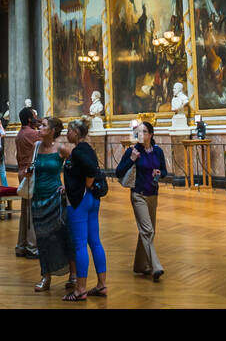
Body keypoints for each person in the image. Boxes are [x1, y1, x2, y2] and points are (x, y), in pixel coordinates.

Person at [115, 120, 167, 282]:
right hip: (138, 194)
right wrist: (131, 159)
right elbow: (118, 172)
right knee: (147, 230)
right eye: (139, 132)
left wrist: (159, 173)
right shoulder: (133, 151)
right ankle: (155, 266)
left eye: (144, 132)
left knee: (148, 231)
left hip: (153, 194)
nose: (141, 135)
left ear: (151, 134)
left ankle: (140, 265)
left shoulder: (158, 151)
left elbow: (164, 171)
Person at [29, 117, 76, 294]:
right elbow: (30, 167)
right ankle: (45, 276)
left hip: (55, 199)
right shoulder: (36, 148)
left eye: (43, 126)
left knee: (63, 236)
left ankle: (73, 274)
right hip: (38, 199)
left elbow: (75, 167)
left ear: (53, 130)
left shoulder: (61, 149)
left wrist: (67, 184)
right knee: (42, 239)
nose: (39, 128)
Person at [62, 119, 107, 301]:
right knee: (95, 242)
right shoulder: (88, 149)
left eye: (68, 130)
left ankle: (80, 289)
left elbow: (89, 170)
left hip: (80, 201)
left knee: (80, 244)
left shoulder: (78, 151)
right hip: (92, 200)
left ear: (75, 132)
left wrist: (85, 185)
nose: (66, 134)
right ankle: (102, 285)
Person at [14, 107, 40, 258]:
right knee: (31, 213)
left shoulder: (20, 133)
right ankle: (31, 247)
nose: (38, 118)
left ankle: (22, 244)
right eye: (35, 115)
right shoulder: (33, 134)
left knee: (25, 212)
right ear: (30, 119)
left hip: (22, 172)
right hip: (30, 175)